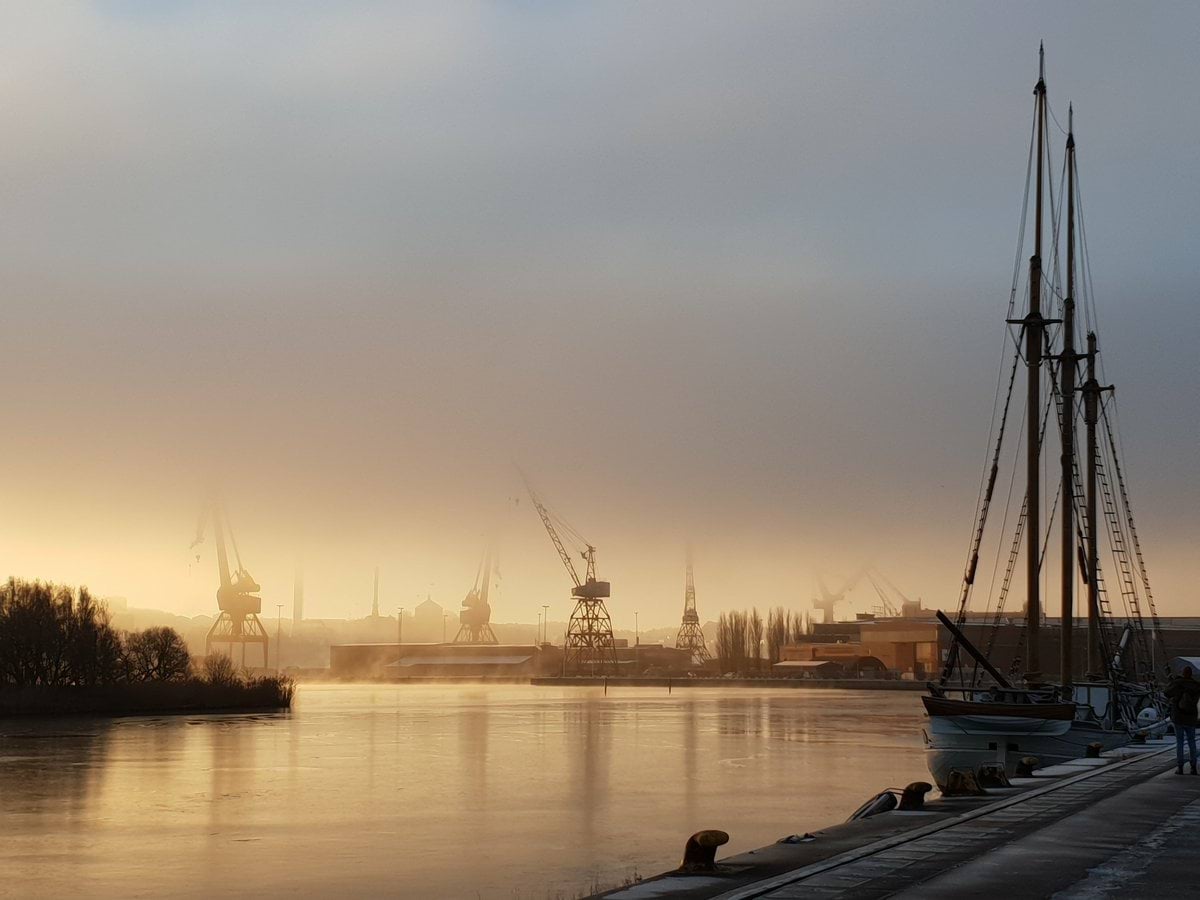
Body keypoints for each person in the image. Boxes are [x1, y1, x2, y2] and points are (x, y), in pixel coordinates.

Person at [1165, 665, 1200, 775]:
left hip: (1178, 716)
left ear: (1183, 673)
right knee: (1192, 741)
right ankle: (1193, 767)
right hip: (1191, 717)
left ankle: (1180, 767)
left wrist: (1174, 681)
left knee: (1179, 742)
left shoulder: (1178, 683)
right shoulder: (1196, 685)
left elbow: (1166, 693)